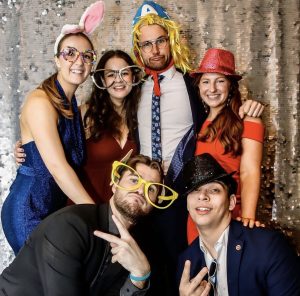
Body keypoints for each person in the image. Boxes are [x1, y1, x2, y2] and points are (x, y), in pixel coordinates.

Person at [131, 1, 265, 294]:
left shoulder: (193, 88)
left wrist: (249, 108)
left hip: (191, 199)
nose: (154, 50)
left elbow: (248, 165)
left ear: (171, 41)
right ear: (138, 49)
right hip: (145, 196)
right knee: (148, 264)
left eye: (160, 41)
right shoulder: (131, 88)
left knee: (192, 266)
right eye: (146, 44)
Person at [1, 1, 105, 254]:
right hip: (29, 210)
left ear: (92, 64)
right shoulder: (41, 102)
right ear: (56, 60)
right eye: (70, 53)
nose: (78, 61)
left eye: (86, 56)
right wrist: (100, 223)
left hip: (54, 211)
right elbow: (58, 168)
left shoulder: (71, 104)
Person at [0, 154, 179, 296]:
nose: (141, 190)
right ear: (114, 184)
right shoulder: (70, 226)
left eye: (151, 189)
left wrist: (140, 276)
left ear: (155, 202)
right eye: (134, 180)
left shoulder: (137, 249)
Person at [177, 153, 300, 296]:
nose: (202, 195)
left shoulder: (268, 246)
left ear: (231, 202)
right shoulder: (186, 262)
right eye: (195, 190)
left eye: (214, 190)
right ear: (187, 204)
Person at [187, 48, 264, 244]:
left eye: (219, 81)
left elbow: (249, 171)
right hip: (198, 216)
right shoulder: (199, 125)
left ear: (231, 86)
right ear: (198, 87)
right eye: (206, 81)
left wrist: (247, 218)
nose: (212, 89)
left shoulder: (248, 120)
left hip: (230, 214)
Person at [80, 49, 144, 203]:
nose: (119, 79)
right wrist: (25, 148)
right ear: (102, 81)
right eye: (111, 74)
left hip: (125, 209)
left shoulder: (142, 112)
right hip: (86, 205)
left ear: (133, 76)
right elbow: (56, 149)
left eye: (124, 73)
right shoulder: (87, 113)